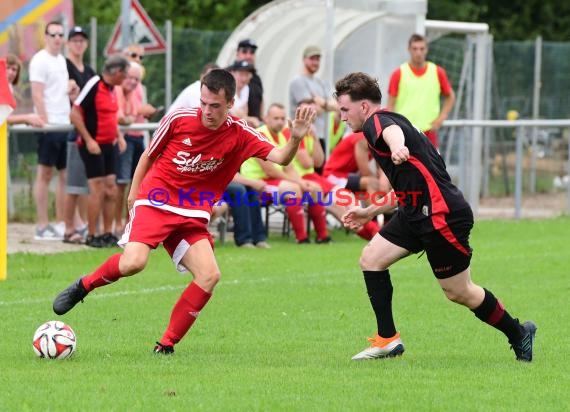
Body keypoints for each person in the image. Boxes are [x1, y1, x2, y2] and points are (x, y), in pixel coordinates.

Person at [52, 69, 316, 354]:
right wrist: (133, 194)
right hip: (155, 201)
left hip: (191, 214)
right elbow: (148, 155)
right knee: (134, 264)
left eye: (215, 105)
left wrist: (295, 140)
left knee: (209, 275)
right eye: (203, 102)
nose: (207, 110)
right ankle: (84, 285)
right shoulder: (179, 119)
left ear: (230, 103)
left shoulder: (240, 133)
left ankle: (166, 345)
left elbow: (279, 157)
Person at [334, 72, 536, 362]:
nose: (342, 116)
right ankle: (387, 340)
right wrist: (369, 212)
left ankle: (519, 333)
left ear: (364, 107)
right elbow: (408, 189)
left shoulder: (377, 123)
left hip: (441, 216)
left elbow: (392, 134)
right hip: (417, 210)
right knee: (371, 259)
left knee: (459, 291)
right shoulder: (392, 118)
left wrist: (396, 146)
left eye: (345, 109)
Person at [243, 102, 330, 244]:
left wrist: (302, 182)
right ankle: (301, 238)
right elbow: (270, 170)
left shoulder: (282, 137)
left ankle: (323, 236)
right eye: (276, 118)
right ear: (266, 118)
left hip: (274, 181)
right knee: (293, 189)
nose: (280, 122)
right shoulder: (259, 135)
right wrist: (297, 183)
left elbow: (289, 168)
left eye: (282, 119)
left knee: (314, 188)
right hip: (257, 183)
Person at [70, 55, 128, 247]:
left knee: (111, 189)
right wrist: (88, 140)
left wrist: (119, 137)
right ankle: (92, 234)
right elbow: (75, 113)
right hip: (93, 146)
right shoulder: (94, 84)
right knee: (97, 189)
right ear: (117, 72)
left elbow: (110, 117)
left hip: (109, 145)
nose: (126, 78)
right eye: (125, 74)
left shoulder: (113, 90)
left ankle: (107, 232)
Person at [29, 21, 78, 240]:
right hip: (49, 126)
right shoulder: (40, 60)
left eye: (61, 34)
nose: (58, 38)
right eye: (54, 34)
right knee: (44, 173)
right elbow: (37, 94)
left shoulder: (61, 60)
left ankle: (60, 222)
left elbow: (62, 90)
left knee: (65, 175)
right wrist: (46, 122)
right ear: (46, 36)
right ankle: (42, 224)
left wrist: (71, 90)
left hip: (64, 122)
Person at [386, 33, 455, 149]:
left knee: (432, 167)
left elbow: (450, 96)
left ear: (427, 50)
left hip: (429, 132)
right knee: (405, 166)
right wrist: (392, 127)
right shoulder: (398, 73)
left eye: (422, 48)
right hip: (405, 132)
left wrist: (442, 117)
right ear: (409, 49)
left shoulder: (437, 72)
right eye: (415, 49)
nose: (418, 52)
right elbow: (390, 105)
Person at [63, 25, 97, 244]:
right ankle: (68, 228)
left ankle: (82, 223)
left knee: (86, 183)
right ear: (69, 43)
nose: (78, 43)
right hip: (74, 128)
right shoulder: (63, 66)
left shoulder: (89, 70)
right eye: (74, 40)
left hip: (88, 128)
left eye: (81, 40)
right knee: (73, 184)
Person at [289, 45, 338, 164]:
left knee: (320, 172)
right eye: (312, 58)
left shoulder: (320, 82)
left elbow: (337, 106)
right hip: (305, 136)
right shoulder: (298, 81)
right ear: (304, 59)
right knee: (309, 172)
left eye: (317, 59)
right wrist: (327, 106)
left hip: (321, 136)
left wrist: (321, 102)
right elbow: (309, 111)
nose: (315, 62)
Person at [114, 61, 147, 236]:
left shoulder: (136, 91)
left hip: (136, 137)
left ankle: (130, 222)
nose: (133, 82)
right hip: (123, 138)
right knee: (121, 183)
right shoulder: (117, 90)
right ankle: (117, 222)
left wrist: (133, 115)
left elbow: (131, 115)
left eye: (136, 79)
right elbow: (121, 118)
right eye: (130, 78)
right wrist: (133, 116)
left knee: (137, 183)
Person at [5, 54, 45, 127]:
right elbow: (3, 118)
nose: (10, 72)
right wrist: (26, 118)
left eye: (14, 69)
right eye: (7, 68)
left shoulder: (9, 87)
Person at [236, 39, 263, 124]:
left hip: (255, 127)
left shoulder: (256, 78)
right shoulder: (228, 75)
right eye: (244, 52)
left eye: (252, 52)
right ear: (237, 54)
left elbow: (261, 101)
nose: (248, 56)